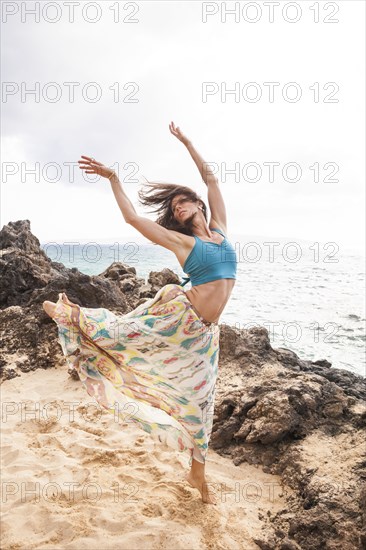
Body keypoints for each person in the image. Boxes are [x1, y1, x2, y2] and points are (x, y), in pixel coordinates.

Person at [43, 121, 237, 505]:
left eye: (184, 202)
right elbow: (133, 219)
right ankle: (72, 316)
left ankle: (198, 473)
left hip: (206, 335)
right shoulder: (182, 242)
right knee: (122, 335)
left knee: (202, 400)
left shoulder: (222, 229)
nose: (179, 208)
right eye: (175, 207)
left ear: (198, 203)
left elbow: (211, 179)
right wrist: (114, 178)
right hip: (180, 318)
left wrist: (188, 142)